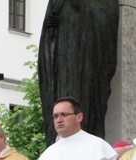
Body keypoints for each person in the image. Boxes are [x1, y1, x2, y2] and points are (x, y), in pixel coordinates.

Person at [38, 0, 119, 146]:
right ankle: (58, 141)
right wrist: (49, 27)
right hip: (62, 64)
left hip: (87, 60)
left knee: (83, 102)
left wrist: (83, 7)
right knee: (62, 99)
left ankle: (83, 135)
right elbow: (49, 30)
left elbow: (108, 17)